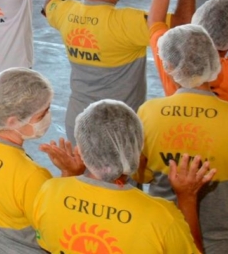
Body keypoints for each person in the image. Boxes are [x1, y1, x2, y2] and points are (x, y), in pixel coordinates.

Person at [31, 100, 211, 254]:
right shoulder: (160, 216)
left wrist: (70, 175)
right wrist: (187, 198)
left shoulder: (49, 190)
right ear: (136, 150)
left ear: (82, 151)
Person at [0, 68, 84, 254]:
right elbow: (57, 235)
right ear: (12, 122)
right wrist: (71, 176)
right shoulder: (31, 176)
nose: (48, 117)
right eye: (42, 114)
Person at [139, 25, 228, 254]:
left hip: (165, 238)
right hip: (226, 243)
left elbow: (141, 174)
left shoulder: (147, 113)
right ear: (214, 64)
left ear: (168, 66)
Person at [44, 0, 154, 137]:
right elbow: (182, 23)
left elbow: (50, 3)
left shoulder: (66, 12)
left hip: (78, 123)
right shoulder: (129, 22)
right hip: (119, 130)